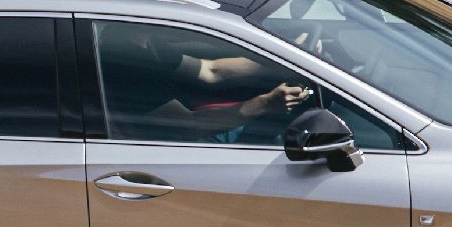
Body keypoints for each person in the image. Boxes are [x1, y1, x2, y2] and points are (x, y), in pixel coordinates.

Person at [96, 21, 313, 141]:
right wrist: (266, 103)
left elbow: (211, 70)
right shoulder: (127, 67)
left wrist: (281, 58)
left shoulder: (144, 44)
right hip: (179, 146)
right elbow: (190, 126)